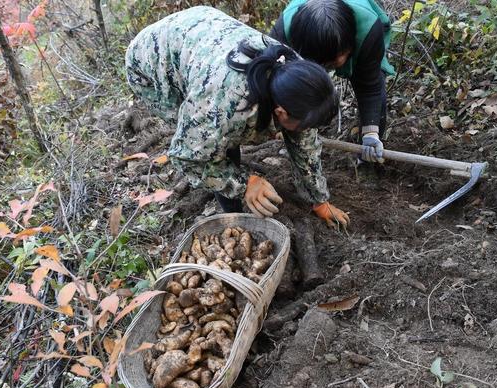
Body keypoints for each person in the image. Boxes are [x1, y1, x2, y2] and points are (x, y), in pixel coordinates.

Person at [125, 6, 350, 228]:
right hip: (150, 62)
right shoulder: (221, 104)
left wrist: (319, 200)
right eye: (303, 126)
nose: (304, 131)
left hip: (201, 34)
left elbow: (305, 143)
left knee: (231, 132)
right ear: (280, 111)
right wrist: (244, 184)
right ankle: (232, 212)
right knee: (212, 144)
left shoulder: (299, 79)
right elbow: (186, 157)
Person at [270, 0, 395, 164]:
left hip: (362, 35)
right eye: (325, 64)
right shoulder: (282, 35)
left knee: (375, 93)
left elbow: (370, 88)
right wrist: (279, 123)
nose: (335, 65)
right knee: (299, 100)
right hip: (302, 49)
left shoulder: (367, 31)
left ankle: (367, 162)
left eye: (336, 61)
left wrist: (371, 133)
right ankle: (298, 141)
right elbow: (275, 84)